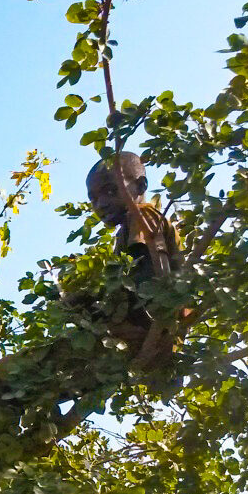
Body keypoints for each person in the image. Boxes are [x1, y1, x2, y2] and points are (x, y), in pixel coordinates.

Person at [77, 152, 185, 368]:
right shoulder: (132, 225)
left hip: (142, 334)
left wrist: (90, 302)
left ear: (141, 186)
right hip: (151, 338)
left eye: (110, 190)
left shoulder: (142, 216)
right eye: (93, 198)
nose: (101, 204)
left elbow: (140, 285)